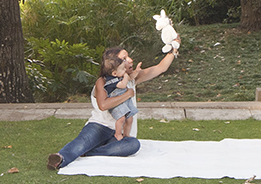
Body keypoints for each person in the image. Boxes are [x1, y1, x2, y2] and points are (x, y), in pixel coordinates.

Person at [46, 41, 179, 171]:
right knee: (82, 142)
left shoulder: (132, 78)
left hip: (119, 133)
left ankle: (89, 152)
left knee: (133, 145)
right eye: (124, 58)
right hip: (99, 126)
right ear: (113, 66)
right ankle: (61, 158)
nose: (131, 60)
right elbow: (103, 105)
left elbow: (160, 68)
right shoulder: (102, 82)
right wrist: (127, 94)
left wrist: (173, 47)